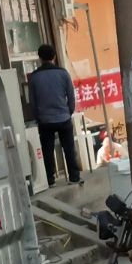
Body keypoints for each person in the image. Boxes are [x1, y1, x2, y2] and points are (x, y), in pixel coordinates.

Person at [28, 44, 81, 186]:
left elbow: (32, 101)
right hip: (63, 117)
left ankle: (50, 180)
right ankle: (74, 177)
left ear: (39, 58)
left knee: (47, 150)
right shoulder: (63, 74)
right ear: (54, 57)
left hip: (45, 120)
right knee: (69, 148)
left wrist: (38, 117)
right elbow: (71, 96)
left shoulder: (34, 77)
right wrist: (68, 111)